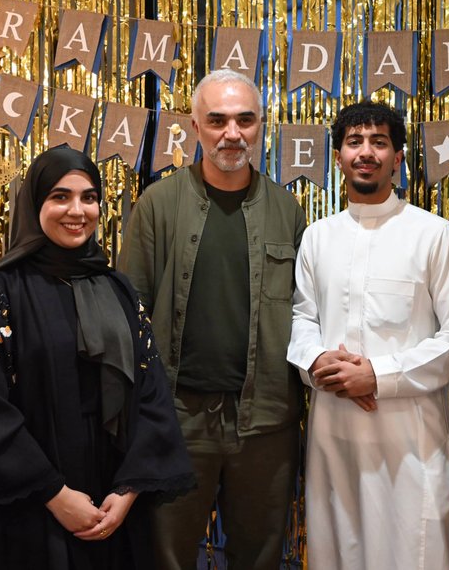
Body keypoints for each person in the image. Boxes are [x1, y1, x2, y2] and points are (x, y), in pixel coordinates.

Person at [0, 146, 194, 570]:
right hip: (34, 499)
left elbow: (151, 391)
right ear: (34, 203)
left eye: (88, 197)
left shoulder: (117, 289)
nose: (77, 211)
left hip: (113, 494)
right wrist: (55, 495)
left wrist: (128, 491)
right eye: (60, 196)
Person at [118, 68, 306, 569]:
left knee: (260, 555)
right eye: (218, 120)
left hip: (265, 421)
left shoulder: (287, 208)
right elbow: (129, 311)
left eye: (245, 120)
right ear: (196, 127)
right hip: (178, 418)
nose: (232, 133)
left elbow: (307, 313)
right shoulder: (158, 204)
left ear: (261, 125)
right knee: (167, 555)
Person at [287, 101, 449, 570]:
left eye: (379, 142)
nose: (366, 152)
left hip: (409, 439)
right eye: (354, 142)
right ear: (338, 157)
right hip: (333, 432)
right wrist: (317, 363)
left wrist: (378, 375)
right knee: (337, 552)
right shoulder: (317, 237)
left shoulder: (435, 235)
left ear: (398, 157)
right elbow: (302, 318)